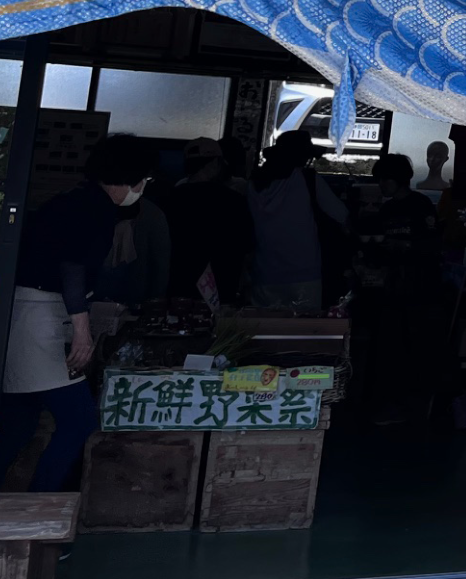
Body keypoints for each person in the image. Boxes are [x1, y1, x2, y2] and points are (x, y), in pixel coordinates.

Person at [0, 135, 150, 491]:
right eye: (144, 179)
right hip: (41, 316)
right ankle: (41, 506)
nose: (144, 187)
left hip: (21, 313)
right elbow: (72, 267)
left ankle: (28, 511)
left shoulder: (73, 199)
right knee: (79, 419)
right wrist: (82, 331)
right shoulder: (96, 208)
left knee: (20, 421)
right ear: (130, 178)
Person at [360, 154, 445, 425]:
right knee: (390, 348)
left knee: (415, 348)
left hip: (420, 288)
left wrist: (405, 246)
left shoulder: (420, 205)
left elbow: (434, 245)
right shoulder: (385, 210)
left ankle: (414, 408)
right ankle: (393, 406)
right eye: (379, 180)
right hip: (392, 289)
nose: (381, 185)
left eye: (385, 180)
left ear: (399, 179)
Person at [247, 130, 347, 314]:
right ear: (301, 157)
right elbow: (341, 214)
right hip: (304, 273)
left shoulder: (254, 183)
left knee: (265, 326)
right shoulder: (307, 179)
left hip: (264, 272)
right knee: (303, 327)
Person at [162, 138, 254, 306]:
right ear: (214, 164)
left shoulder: (169, 199)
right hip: (221, 289)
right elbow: (246, 245)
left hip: (177, 286)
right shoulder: (233, 201)